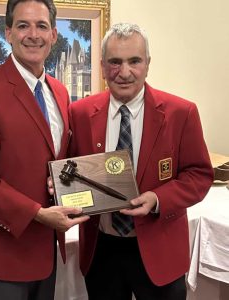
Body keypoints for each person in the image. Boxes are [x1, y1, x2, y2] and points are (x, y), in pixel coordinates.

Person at [0, 0, 88, 299]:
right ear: (8, 33)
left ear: (53, 35)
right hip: (3, 254)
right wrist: (37, 214)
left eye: (41, 26)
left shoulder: (60, 92)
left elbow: (60, 160)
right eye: (23, 25)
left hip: (48, 251)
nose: (33, 34)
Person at [68, 23, 214, 300]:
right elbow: (71, 170)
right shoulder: (79, 113)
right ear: (101, 66)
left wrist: (158, 199)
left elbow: (199, 175)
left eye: (134, 61)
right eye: (114, 62)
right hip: (101, 250)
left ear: (147, 64)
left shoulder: (181, 113)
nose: (124, 72)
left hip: (161, 250)